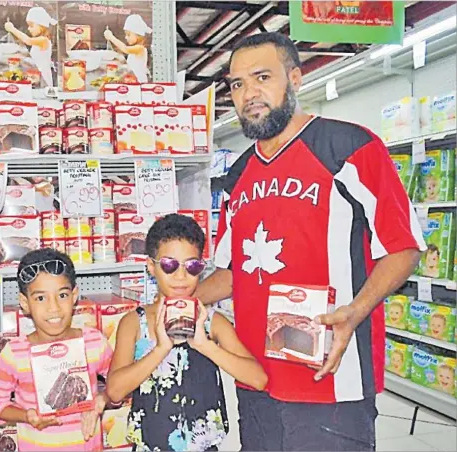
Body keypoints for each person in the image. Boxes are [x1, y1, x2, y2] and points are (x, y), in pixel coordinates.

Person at [195, 32, 426, 451]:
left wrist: (356, 311)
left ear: (296, 79)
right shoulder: (236, 176)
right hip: (256, 377)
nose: (249, 93)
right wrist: (173, 300)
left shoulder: (349, 147)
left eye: (262, 77)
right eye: (237, 84)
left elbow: (404, 246)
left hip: (329, 378)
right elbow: (232, 274)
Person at [106, 214, 267, 451]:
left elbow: (258, 379)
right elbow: (115, 391)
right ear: (151, 266)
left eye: (191, 266)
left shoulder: (213, 322)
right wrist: (161, 348)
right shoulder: (134, 323)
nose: (181, 277)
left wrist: (204, 344)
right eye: (169, 266)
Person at [0, 248, 112, 451]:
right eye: (41, 298)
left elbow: (119, 384)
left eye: (62, 295)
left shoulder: (93, 342)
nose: (53, 308)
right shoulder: (15, 353)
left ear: (74, 296)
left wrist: (102, 399)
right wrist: (26, 416)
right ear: (25, 303)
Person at [5, 7, 56, 88]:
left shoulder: (43, 40)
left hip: (43, 77)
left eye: (31, 26)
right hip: (36, 75)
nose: (28, 29)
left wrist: (12, 29)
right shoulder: (39, 40)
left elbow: (27, 40)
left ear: (41, 26)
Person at [104, 14, 151, 83]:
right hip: (132, 81)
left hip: (139, 82)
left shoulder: (140, 48)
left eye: (128, 34)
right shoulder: (134, 51)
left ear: (138, 35)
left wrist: (111, 37)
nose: (126, 37)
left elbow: (125, 49)